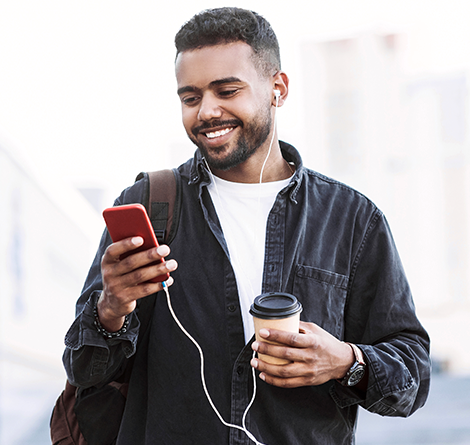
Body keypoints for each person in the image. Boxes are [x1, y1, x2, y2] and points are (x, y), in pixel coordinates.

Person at [63, 7, 431, 445]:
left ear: (277, 88)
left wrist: (346, 362)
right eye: (191, 97)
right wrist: (111, 309)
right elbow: (84, 371)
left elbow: (413, 373)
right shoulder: (147, 206)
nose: (206, 112)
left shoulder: (352, 219)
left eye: (227, 90)